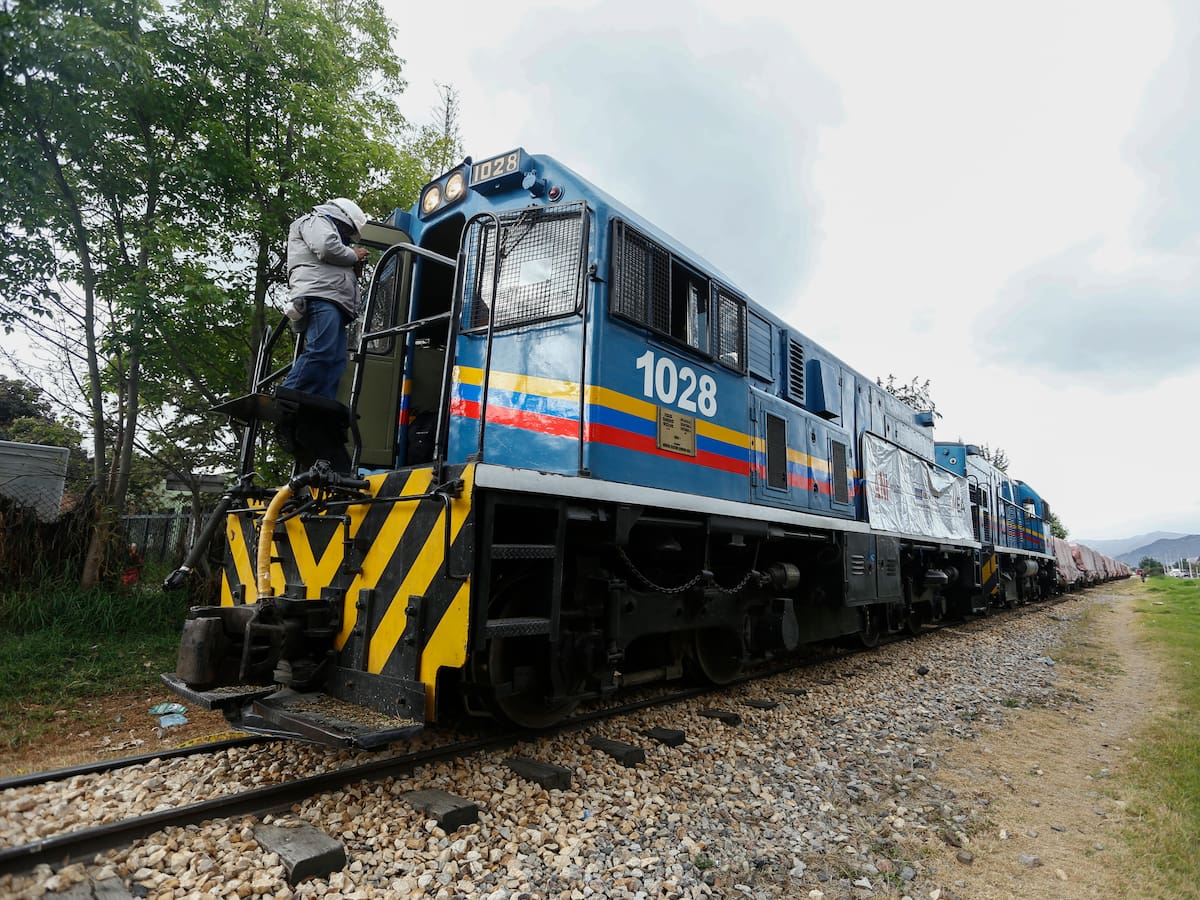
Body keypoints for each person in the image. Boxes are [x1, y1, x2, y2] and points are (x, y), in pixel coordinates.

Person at [280, 198, 371, 400]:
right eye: (348, 231)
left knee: (336, 360)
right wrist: (354, 255)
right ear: (341, 218)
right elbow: (326, 247)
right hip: (320, 296)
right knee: (321, 350)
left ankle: (320, 406)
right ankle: (286, 397)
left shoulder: (326, 228)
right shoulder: (315, 220)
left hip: (332, 299)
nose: (347, 236)